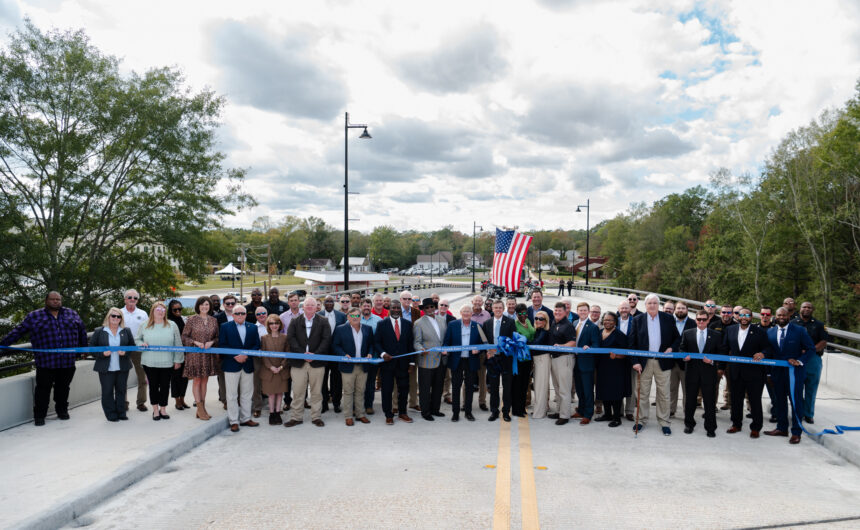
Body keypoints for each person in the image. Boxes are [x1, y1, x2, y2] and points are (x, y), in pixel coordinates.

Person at [1, 292, 88, 426]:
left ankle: (62, 411)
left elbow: (82, 331)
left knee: (63, 388)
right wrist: (3, 345)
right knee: (42, 390)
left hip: (67, 361)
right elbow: (18, 332)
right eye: (52, 299)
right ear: (46, 301)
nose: (55, 302)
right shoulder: (34, 316)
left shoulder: (72, 313)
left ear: (61, 301)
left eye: (58, 299)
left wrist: (84, 349)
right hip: (45, 362)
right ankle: (40, 416)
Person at [630, 293, 681, 435]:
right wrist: (635, 362)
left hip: (663, 363)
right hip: (643, 363)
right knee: (642, 393)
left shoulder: (668, 318)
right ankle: (640, 421)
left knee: (664, 394)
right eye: (649, 303)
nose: (652, 305)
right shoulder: (637, 320)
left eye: (655, 303)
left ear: (659, 305)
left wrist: (672, 348)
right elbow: (632, 343)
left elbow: (677, 338)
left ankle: (664, 422)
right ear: (645, 305)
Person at [765, 307, 815, 444]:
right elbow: (769, 352)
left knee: (796, 402)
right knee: (780, 401)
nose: (781, 317)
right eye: (779, 315)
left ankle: (796, 432)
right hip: (777, 373)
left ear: (789, 316)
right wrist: (769, 372)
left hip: (795, 373)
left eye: (784, 315)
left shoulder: (799, 331)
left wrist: (800, 361)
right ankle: (781, 428)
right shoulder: (770, 331)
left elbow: (811, 349)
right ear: (775, 316)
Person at [285, 297, 332, 428]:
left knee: (317, 392)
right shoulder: (295, 321)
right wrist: (302, 354)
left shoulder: (323, 321)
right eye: (307, 305)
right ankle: (296, 417)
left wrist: (315, 355)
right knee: (298, 391)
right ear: (303, 307)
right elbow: (291, 338)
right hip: (298, 362)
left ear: (317, 307)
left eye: (313, 305)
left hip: (317, 363)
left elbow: (326, 339)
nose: (310, 307)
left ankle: (316, 417)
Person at [723, 307, 770, 438]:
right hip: (736, 372)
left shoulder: (759, 332)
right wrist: (720, 368)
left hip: (755, 373)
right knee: (736, 400)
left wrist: (763, 353)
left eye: (747, 315)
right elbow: (724, 349)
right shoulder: (730, 330)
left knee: (755, 401)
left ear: (751, 317)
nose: (744, 318)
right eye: (741, 315)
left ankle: (756, 427)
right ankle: (736, 424)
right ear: (737, 316)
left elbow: (768, 348)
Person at [679, 310, 724, 437]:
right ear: (695, 320)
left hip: (709, 372)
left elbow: (721, 353)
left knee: (709, 402)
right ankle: (689, 424)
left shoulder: (716, 335)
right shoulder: (688, 333)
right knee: (690, 400)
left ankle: (710, 428)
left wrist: (712, 361)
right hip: (692, 372)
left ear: (708, 320)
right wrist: (684, 356)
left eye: (704, 319)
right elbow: (682, 348)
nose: (701, 322)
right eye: (699, 319)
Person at [136, 302, 184, 421]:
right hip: (149, 362)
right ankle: (155, 410)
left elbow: (178, 343)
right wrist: (141, 344)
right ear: (152, 311)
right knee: (153, 386)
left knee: (164, 386)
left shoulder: (172, 325)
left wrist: (178, 359)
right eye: (158, 309)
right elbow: (137, 339)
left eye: (163, 309)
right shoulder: (144, 325)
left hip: (167, 362)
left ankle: (163, 409)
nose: (161, 311)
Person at [218, 303, 260, 432]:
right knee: (231, 395)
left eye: (243, 313)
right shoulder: (225, 327)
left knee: (247, 394)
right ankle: (234, 421)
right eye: (237, 313)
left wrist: (245, 355)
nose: (240, 315)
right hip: (231, 364)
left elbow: (256, 345)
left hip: (247, 364)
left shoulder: (252, 327)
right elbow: (222, 346)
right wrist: (236, 355)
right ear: (232, 315)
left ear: (246, 315)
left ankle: (246, 418)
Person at [90, 308, 134, 422]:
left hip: (122, 366)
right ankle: (111, 414)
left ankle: (121, 412)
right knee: (107, 391)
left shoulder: (126, 331)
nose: (115, 318)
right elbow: (91, 348)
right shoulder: (99, 331)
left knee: (121, 390)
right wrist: (101, 353)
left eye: (118, 316)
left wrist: (125, 352)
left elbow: (132, 346)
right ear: (108, 317)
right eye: (113, 316)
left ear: (121, 319)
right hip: (106, 367)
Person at [333, 307, 375, 426]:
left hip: (363, 366)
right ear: (348, 317)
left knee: (360, 391)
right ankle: (348, 416)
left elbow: (371, 344)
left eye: (357, 316)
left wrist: (370, 353)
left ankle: (360, 414)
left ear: (361, 317)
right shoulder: (340, 329)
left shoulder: (368, 329)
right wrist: (343, 355)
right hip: (347, 366)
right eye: (353, 316)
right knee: (348, 391)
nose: (355, 318)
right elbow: (335, 345)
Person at [375, 300, 415, 424]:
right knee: (387, 390)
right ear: (390, 309)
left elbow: (410, 344)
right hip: (387, 364)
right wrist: (382, 354)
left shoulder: (408, 324)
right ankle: (388, 414)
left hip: (403, 364)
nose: (396, 310)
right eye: (394, 308)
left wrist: (412, 363)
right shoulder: (382, 324)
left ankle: (403, 412)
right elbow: (377, 342)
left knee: (404, 389)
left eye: (398, 308)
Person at [181, 296, 219, 421]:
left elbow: (217, 337)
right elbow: (184, 337)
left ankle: (201, 407)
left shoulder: (214, 320)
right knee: (197, 380)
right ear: (198, 306)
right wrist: (195, 342)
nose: (204, 307)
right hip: (195, 355)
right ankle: (200, 408)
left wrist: (212, 342)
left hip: (208, 355)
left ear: (210, 306)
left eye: (207, 304)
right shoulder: (191, 319)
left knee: (205, 381)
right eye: (202, 305)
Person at [442, 305, 483, 422]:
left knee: (470, 387)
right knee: (455, 387)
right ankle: (455, 413)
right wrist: (445, 350)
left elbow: (482, 343)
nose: (466, 313)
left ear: (471, 314)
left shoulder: (478, 326)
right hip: (457, 361)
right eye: (464, 311)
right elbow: (446, 342)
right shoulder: (452, 325)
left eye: (468, 312)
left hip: (471, 360)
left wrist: (478, 349)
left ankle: (468, 412)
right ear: (460, 312)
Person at [792, 301, 828, 424]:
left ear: (812, 310)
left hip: (813, 359)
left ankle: (808, 414)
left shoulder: (819, 325)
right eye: (804, 307)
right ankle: (798, 412)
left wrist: (811, 351)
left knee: (811, 387)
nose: (806, 309)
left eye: (809, 307)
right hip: (797, 358)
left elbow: (823, 341)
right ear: (800, 309)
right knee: (797, 387)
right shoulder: (793, 323)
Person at [413, 298, 448, 421]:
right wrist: (421, 349)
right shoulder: (418, 323)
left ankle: (435, 409)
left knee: (438, 386)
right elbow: (416, 342)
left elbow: (444, 339)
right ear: (423, 309)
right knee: (425, 387)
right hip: (426, 359)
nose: (429, 309)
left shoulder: (441, 320)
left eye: (431, 307)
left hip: (441, 359)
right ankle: (426, 412)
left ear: (435, 307)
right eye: (426, 308)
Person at [594, 312, 629, 427]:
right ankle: (607, 414)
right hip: (602, 367)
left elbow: (626, 353)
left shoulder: (619, 335)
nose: (607, 322)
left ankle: (617, 418)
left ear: (615, 322)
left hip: (616, 368)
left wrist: (617, 356)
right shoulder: (599, 333)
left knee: (615, 393)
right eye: (605, 320)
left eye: (610, 320)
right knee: (604, 390)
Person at [483, 299, 516, 422]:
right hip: (492, 360)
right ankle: (494, 411)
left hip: (506, 359)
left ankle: (506, 412)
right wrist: (487, 352)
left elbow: (513, 341)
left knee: (507, 387)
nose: (497, 310)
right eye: (495, 307)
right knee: (494, 387)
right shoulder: (487, 323)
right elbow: (485, 342)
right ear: (492, 309)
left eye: (500, 308)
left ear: (503, 309)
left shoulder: (510, 322)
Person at [547, 302, 577, 425]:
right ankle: (559, 411)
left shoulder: (568, 325)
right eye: (556, 310)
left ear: (565, 312)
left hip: (565, 358)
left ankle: (565, 415)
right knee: (557, 388)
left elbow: (573, 343)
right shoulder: (554, 322)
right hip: (554, 358)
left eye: (560, 311)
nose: (557, 313)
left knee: (564, 389)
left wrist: (561, 346)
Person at [120, 289, 149, 412]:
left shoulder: (143, 313)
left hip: (138, 348)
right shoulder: (119, 313)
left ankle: (141, 402)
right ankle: (123, 403)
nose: (132, 299)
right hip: (123, 348)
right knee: (122, 378)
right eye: (130, 297)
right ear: (125, 299)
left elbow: (147, 330)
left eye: (135, 298)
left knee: (142, 378)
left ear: (138, 300)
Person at [572, 302, 600, 425]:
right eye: (580, 310)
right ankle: (581, 410)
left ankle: (588, 414)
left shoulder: (593, 327)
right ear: (577, 311)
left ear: (588, 312)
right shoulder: (574, 324)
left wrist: (589, 347)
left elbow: (596, 345)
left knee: (588, 390)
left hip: (586, 363)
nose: (582, 312)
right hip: (575, 362)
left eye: (584, 310)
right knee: (579, 389)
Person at [318, 295, 346, 414]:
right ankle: (324, 404)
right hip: (322, 353)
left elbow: (344, 335)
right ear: (324, 303)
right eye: (327, 301)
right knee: (322, 380)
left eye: (331, 301)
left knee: (337, 380)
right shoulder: (318, 315)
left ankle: (336, 403)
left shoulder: (342, 316)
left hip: (336, 353)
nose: (329, 303)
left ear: (334, 303)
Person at [260, 315, 289, 425]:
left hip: (282, 370)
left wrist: (281, 366)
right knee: (271, 394)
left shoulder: (285, 337)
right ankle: (272, 414)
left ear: (280, 325)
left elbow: (288, 353)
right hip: (269, 370)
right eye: (271, 323)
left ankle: (278, 412)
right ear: (268, 325)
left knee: (280, 393)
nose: (274, 325)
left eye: (276, 323)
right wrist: (271, 367)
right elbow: (263, 355)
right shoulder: (264, 338)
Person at [669, 301, 696, 418]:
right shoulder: (669, 322)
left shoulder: (693, 323)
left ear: (687, 310)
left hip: (687, 363)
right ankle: (670, 410)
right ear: (675, 310)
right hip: (671, 362)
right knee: (671, 388)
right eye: (678, 308)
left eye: (683, 308)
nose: (680, 310)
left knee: (688, 390)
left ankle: (687, 411)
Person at [709, 304, 736, 410]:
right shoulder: (713, 325)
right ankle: (712, 407)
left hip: (731, 360)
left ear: (732, 314)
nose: (726, 314)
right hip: (716, 360)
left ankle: (730, 405)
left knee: (732, 385)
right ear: (720, 313)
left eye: (729, 312)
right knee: (713, 384)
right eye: (724, 312)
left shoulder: (736, 326)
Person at [359, 299, 383, 415]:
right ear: (360, 307)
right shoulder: (356, 318)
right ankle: (358, 405)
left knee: (370, 383)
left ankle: (369, 405)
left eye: (368, 306)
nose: (366, 308)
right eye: (364, 306)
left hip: (373, 358)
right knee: (358, 383)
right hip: (358, 358)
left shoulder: (378, 320)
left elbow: (380, 339)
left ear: (371, 307)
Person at [512, 303, 535, 417]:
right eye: (520, 313)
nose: (523, 315)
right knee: (518, 384)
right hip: (519, 358)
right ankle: (516, 409)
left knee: (525, 384)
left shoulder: (529, 322)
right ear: (516, 314)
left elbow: (532, 335)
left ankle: (522, 407)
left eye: (525, 313)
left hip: (528, 358)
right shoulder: (514, 324)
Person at [167, 300, 190, 410]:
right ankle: (177, 401)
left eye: (179, 309)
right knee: (175, 378)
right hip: (174, 354)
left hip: (185, 353)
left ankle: (182, 399)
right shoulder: (168, 322)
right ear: (170, 310)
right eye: (175, 309)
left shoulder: (184, 319)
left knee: (184, 378)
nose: (178, 311)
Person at [530, 310, 553, 419]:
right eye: (536, 318)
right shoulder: (538, 330)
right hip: (537, 359)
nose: (538, 321)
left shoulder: (544, 332)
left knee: (541, 386)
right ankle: (538, 409)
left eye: (541, 319)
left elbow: (536, 344)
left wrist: (521, 342)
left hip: (543, 359)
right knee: (538, 386)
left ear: (545, 321)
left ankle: (540, 412)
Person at [250, 306, 269, 417]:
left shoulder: (274, 326)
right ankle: (257, 407)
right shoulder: (253, 328)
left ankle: (275, 407)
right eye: (258, 314)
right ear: (256, 316)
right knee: (256, 383)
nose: (261, 315)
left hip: (272, 358)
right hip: (257, 358)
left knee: (273, 382)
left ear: (267, 313)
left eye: (263, 313)